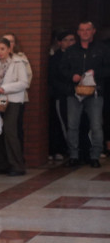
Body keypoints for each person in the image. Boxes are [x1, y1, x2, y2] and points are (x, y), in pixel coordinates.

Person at [61, 20, 107, 168]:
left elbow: (108, 69)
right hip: (74, 93)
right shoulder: (71, 51)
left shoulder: (102, 49)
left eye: (88, 29)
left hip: (95, 92)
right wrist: (71, 76)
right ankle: (74, 155)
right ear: (78, 32)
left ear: (93, 31)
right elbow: (61, 70)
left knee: (96, 125)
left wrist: (96, 73)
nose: (85, 32)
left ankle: (95, 156)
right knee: (72, 125)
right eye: (82, 30)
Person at [0, 38, 30, 175]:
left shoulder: (18, 63)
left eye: (2, 49)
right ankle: (2, 164)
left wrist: (5, 88)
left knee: (10, 132)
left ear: (9, 49)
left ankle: (17, 165)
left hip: (13, 100)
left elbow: (24, 83)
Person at [48, 30, 76, 160]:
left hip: (80, 95)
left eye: (71, 40)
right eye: (66, 40)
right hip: (62, 95)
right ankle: (70, 150)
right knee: (66, 123)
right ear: (59, 43)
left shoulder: (80, 56)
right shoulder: (55, 59)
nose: (69, 43)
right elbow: (53, 79)